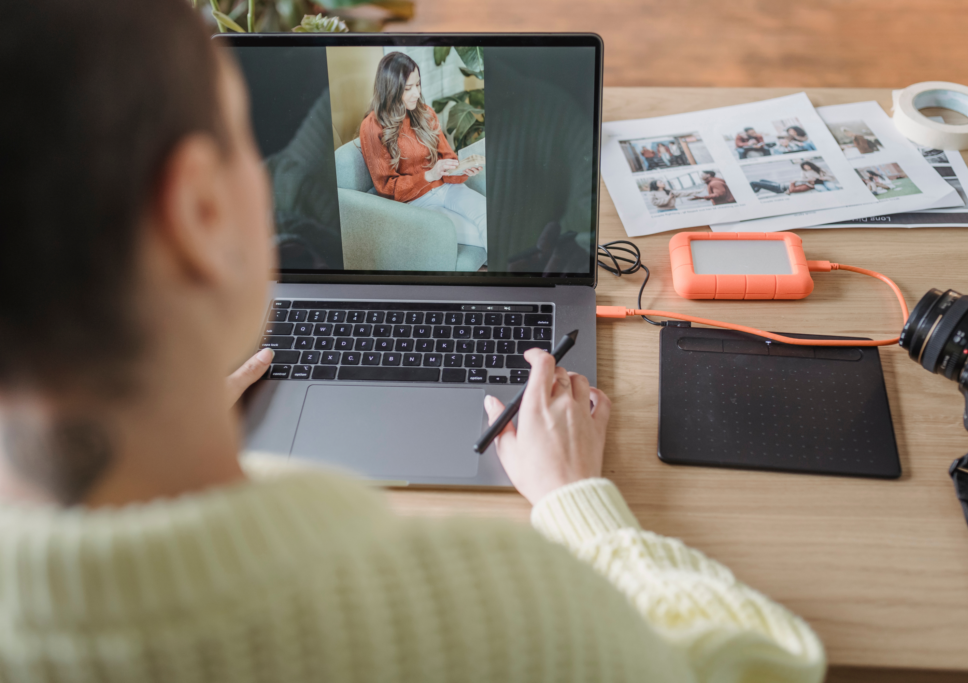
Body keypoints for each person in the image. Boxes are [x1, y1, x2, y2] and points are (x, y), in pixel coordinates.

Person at [0, 2, 827, 681]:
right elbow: (762, 664)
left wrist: (163, 414)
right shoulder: (500, 608)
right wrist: (580, 503)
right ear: (199, 214)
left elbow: (432, 156)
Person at [360, 52, 486, 250]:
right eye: (408, 88)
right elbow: (387, 190)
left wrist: (462, 169)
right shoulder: (372, 126)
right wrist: (429, 175)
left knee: (491, 220)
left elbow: (447, 158)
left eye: (418, 85)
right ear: (391, 89)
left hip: (446, 188)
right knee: (477, 235)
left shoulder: (426, 113)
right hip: (415, 203)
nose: (417, 94)